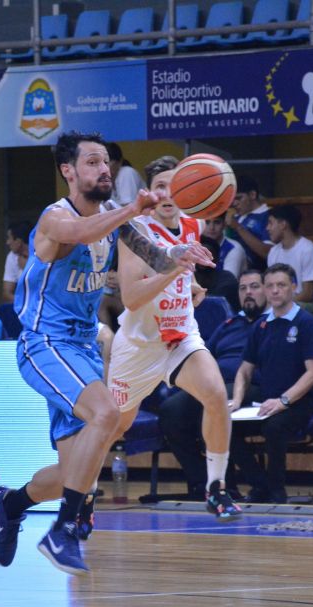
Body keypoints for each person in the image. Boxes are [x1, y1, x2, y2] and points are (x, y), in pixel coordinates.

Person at [0, 131, 213, 576]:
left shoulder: (115, 217)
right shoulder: (55, 217)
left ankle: (11, 504)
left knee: (77, 473)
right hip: (45, 343)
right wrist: (131, 209)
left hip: (85, 347)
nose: (104, 169)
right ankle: (64, 530)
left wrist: (180, 255)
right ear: (68, 171)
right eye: (92, 162)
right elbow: (78, 232)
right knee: (107, 414)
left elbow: (153, 254)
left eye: (106, 162)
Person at [107, 155, 241, 520]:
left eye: (174, 185)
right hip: (139, 345)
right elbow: (132, 297)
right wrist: (175, 269)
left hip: (180, 335)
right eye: (160, 186)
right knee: (115, 426)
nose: (168, 194)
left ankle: (216, 488)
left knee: (216, 394)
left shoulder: (194, 223)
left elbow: (183, 271)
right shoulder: (136, 230)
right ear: (150, 193)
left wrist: (191, 283)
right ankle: (81, 494)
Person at [159, 269, 267, 497]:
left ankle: (248, 483)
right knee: (171, 410)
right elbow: (205, 353)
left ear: (266, 290)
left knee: (211, 407)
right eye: (243, 288)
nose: (248, 292)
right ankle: (202, 482)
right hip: (216, 382)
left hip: (251, 386)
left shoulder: (272, 323)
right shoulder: (229, 323)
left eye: (254, 287)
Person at [228, 264, 313, 504]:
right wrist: (237, 400)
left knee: (274, 427)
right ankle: (260, 484)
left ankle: (277, 492)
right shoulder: (261, 325)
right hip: (267, 401)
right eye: (269, 286)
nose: (275, 290)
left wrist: (283, 401)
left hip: (299, 402)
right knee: (225, 425)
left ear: (294, 287)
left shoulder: (306, 322)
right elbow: (244, 370)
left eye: (281, 285)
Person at [265, 205, 313, 319]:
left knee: (280, 311)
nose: (267, 228)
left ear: (283, 224)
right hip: (283, 301)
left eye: (270, 223)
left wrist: (281, 303)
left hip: (310, 304)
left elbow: (308, 294)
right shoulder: (273, 252)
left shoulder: (308, 250)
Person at [225, 176, 272, 270]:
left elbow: (268, 253)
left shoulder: (269, 216)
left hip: (258, 274)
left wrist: (238, 227)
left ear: (252, 195)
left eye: (239, 198)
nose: (234, 203)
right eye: (232, 199)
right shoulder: (234, 216)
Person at [203, 213, 247, 279]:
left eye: (217, 222)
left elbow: (228, 281)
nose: (211, 227)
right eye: (207, 222)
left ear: (224, 225)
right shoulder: (195, 243)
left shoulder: (234, 248)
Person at [106, 142, 146, 206]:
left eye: (107, 162)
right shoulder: (105, 180)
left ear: (119, 162)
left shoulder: (127, 172)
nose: (104, 166)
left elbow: (127, 206)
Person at [2, 220, 32, 303]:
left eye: (9, 238)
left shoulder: (43, 255)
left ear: (18, 242)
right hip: (23, 306)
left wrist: (27, 269)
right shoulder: (12, 256)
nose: (7, 242)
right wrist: (25, 305)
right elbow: (7, 294)